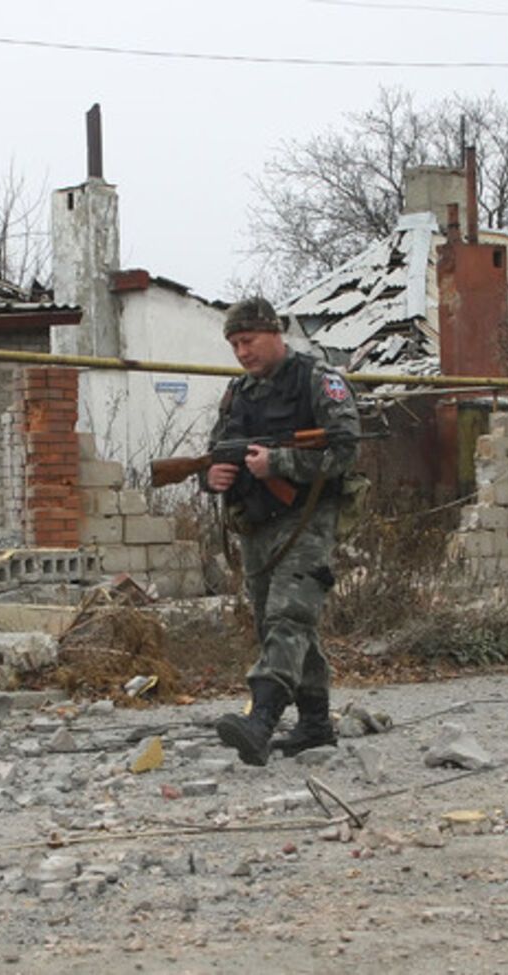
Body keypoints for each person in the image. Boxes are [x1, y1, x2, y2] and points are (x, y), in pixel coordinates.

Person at [203, 296, 361, 766]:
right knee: (276, 624)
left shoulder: (318, 380)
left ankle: (261, 719)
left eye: (248, 340)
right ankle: (314, 723)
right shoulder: (238, 392)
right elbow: (216, 450)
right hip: (256, 521)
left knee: (289, 616)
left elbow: (345, 449)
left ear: (275, 333)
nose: (242, 352)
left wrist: (280, 462)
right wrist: (213, 476)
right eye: (234, 344)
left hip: (307, 517)